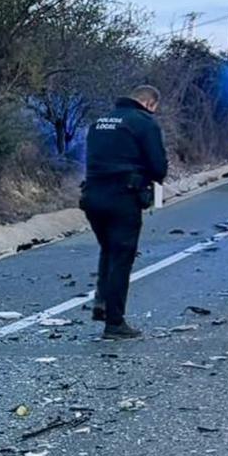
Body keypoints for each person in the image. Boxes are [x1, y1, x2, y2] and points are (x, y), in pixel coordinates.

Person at [80, 85, 168, 340]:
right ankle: (114, 323)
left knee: (108, 249)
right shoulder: (144, 123)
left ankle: (102, 303)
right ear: (150, 103)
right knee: (121, 257)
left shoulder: (99, 122)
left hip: (92, 196)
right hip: (123, 197)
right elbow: (158, 167)